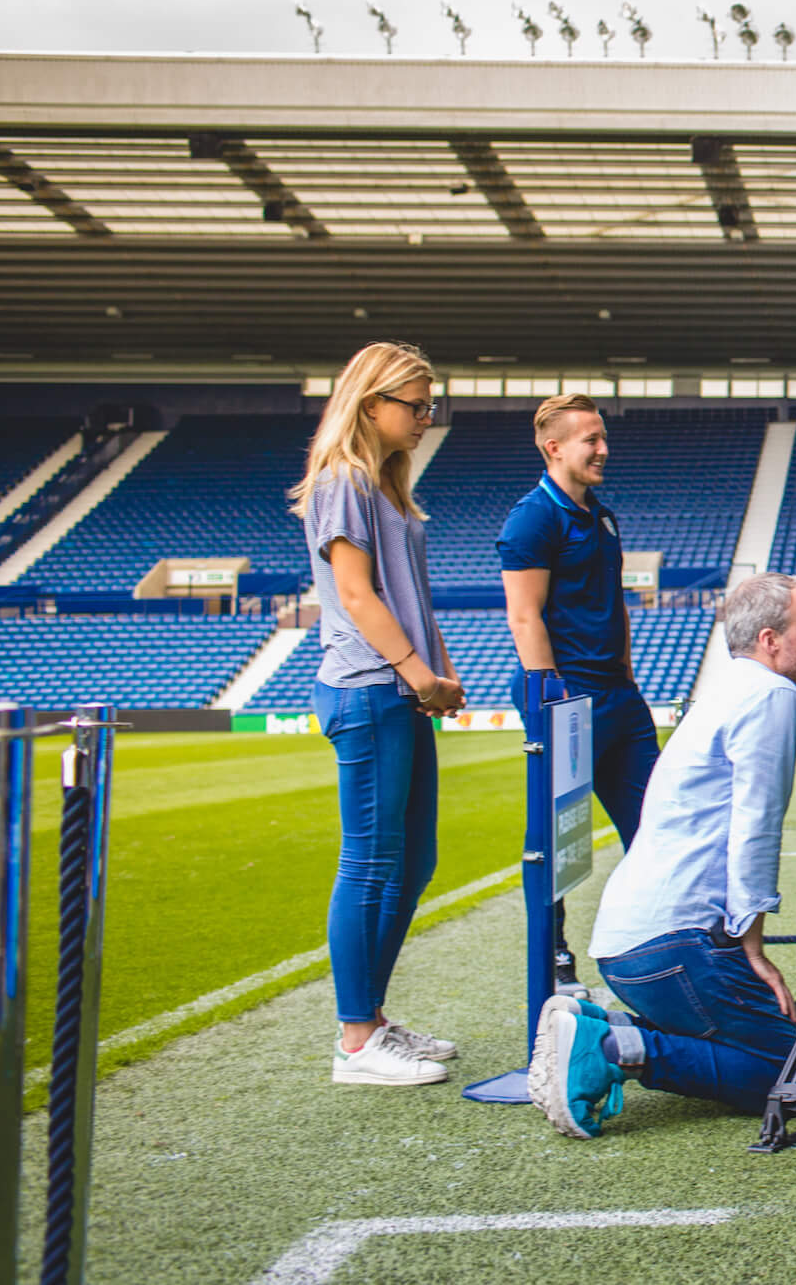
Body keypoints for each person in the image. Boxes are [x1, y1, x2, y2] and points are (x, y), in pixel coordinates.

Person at [528, 572, 796, 1137]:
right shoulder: (771, 693)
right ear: (769, 640)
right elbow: (755, 826)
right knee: (792, 1071)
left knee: (783, 1046)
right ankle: (615, 1043)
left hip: (630, 946)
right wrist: (751, 944)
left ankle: (603, 1026)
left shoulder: (726, 691)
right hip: (670, 947)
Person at [291, 341, 466, 1088]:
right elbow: (359, 595)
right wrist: (417, 672)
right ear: (371, 405)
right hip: (369, 687)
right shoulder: (341, 482)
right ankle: (356, 1038)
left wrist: (441, 670)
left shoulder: (388, 490)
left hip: (397, 690)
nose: (426, 418)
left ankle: (373, 1017)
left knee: (412, 860)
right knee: (368, 863)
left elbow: (410, 596)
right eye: (415, 405)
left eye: (431, 406)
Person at [499, 393, 664, 848]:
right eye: (592, 440)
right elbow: (523, 614)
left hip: (618, 694)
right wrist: (555, 698)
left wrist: (627, 679)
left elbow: (615, 603)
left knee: (659, 828)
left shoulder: (603, 517)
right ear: (555, 448)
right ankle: (547, 925)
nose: (604, 449)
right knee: (556, 847)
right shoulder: (533, 518)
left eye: (604, 438)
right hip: (567, 693)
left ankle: (660, 922)